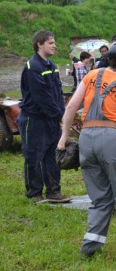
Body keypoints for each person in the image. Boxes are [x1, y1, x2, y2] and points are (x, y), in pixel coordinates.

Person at [57, 38, 116, 257]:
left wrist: (63, 138)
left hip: (87, 139)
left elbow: (71, 106)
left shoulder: (91, 76)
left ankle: (90, 246)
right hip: (112, 139)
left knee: (100, 197)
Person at [17, 29, 70, 204]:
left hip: (51, 119)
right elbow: (42, 97)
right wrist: (60, 115)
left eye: (54, 42)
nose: (54, 46)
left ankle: (54, 191)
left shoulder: (52, 67)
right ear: (39, 44)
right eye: (50, 43)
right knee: (34, 155)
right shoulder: (33, 67)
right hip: (34, 119)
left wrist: (61, 112)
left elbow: (57, 94)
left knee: (52, 155)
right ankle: (35, 192)